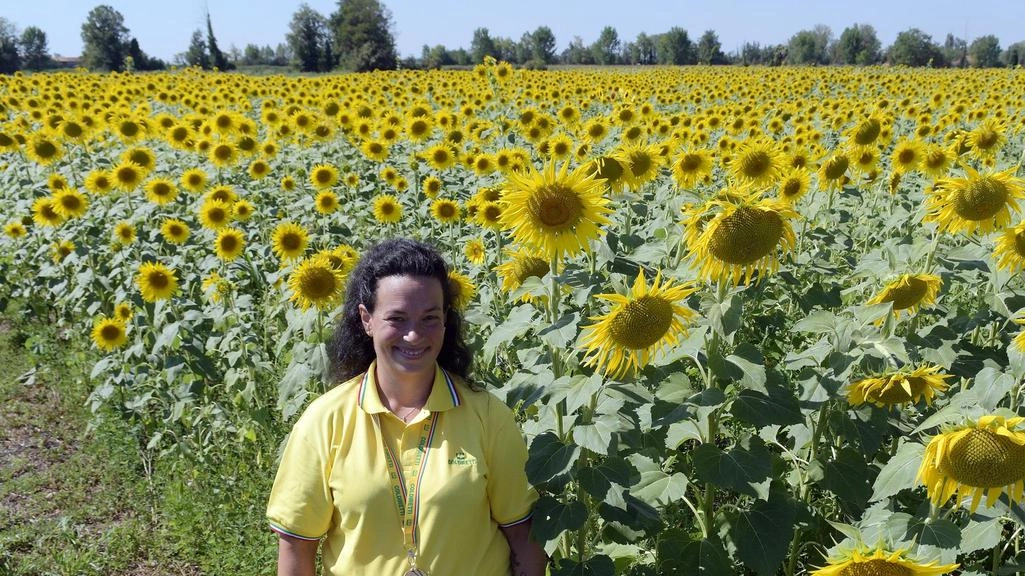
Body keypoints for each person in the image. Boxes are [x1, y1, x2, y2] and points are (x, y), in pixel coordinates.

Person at [267, 238, 547, 576]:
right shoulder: (324, 422)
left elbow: (523, 537)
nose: (414, 335)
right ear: (366, 319)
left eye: (429, 318)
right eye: (397, 319)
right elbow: (297, 548)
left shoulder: (488, 417)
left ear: (445, 319)